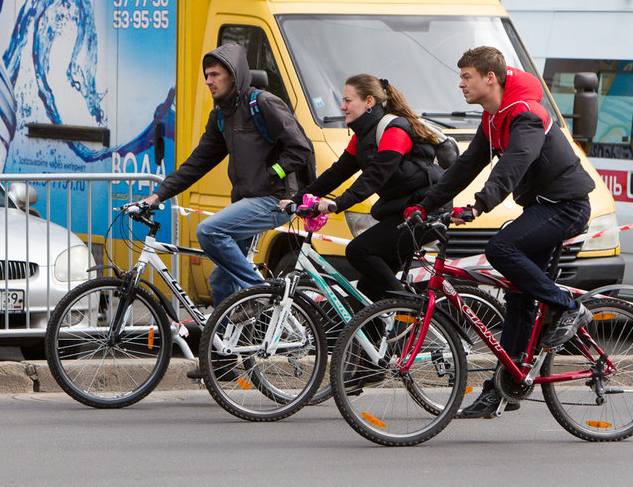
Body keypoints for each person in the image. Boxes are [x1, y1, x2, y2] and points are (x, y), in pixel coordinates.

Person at [408, 46, 595, 419]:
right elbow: (465, 165)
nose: (460, 84)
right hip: (541, 206)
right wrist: (425, 205)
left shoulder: (525, 114)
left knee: (501, 249)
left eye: (466, 77)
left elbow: (514, 163)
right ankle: (503, 388)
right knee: (519, 299)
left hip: (566, 206)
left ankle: (569, 307)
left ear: (489, 78)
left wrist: (480, 205)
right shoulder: (492, 118)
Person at [144, 43, 314, 309]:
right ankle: (223, 346)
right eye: (206, 76)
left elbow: (301, 149)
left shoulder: (263, 104)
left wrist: (273, 173)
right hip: (247, 201)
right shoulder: (221, 116)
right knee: (221, 280)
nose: (208, 81)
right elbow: (197, 163)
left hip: (275, 199)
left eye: (214, 75)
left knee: (210, 231)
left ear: (233, 75)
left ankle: (259, 293)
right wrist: (158, 195)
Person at [281, 74, 445, 301]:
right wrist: (298, 199)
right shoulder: (362, 137)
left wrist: (338, 204)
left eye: (348, 101)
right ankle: (383, 329)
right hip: (401, 211)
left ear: (369, 102)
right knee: (368, 294)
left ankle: (410, 306)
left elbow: (376, 175)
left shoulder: (394, 130)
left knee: (358, 251)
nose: (342, 106)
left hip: (424, 212)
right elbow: (336, 173)